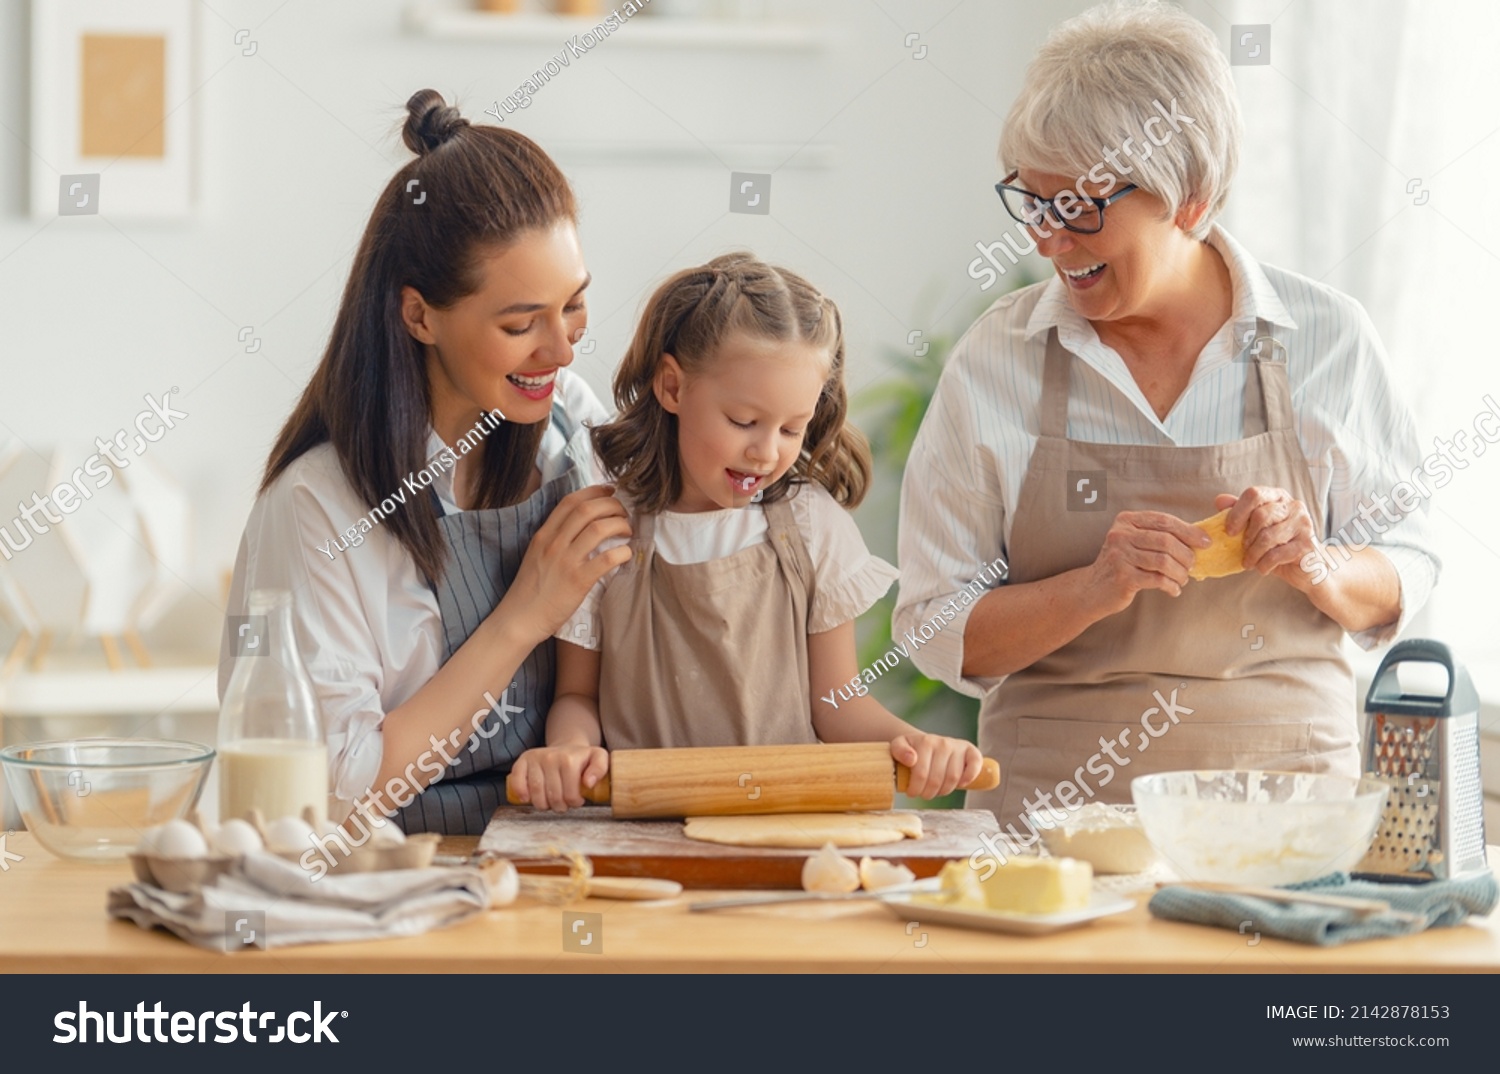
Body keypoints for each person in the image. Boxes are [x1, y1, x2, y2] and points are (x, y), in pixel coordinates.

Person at [894, 1, 1439, 836]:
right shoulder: (996, 359)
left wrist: (1316, 566)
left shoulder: (1326, 339)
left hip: (1288, 816)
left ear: (1190, 199)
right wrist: (1091, 590)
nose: (1047, 239)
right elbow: (937, 632)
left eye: (1078, 208)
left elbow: (1409, 568)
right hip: (1049, 827)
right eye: (1030, 202)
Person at [218, 90, 631, 835]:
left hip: (553, 863)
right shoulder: (317, 510)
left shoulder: (569, 422)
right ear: (419, 316)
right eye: (519, 323)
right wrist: (522, 617)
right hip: (393, 882)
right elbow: (334, 796)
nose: (563, 347)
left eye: (573, 304)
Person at [508, 253, 985, 811]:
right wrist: (568, 749)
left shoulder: (810, 526)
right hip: (639, 827)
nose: (766, 451)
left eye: (791, 428)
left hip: (788, 826)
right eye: (743, 422)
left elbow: (838, 705)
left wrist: (916, 745)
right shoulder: (605, 531)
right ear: (672, 387)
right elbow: (576, 694)